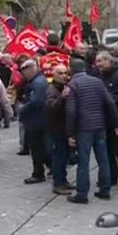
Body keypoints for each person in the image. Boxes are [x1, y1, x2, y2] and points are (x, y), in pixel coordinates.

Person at [66, 59, 118, 204]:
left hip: (83, 127)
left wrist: (70, 133)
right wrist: (117, 123)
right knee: (103, 158)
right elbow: (110, 103)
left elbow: (71, 110)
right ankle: (105, 190)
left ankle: (82, 193)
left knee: (84, 161)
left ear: (71, 70)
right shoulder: (97, 82)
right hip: (100, 125)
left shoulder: (73, 85)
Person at [96, 51, 118, 194]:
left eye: (100, 61)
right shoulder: (99, 76)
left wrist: (106, 99)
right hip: (105, 121)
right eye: (97, 62)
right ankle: (112, 177)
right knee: (108, 151)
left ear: (108, 61)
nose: (98, 64)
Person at [45, 64, 75, 195]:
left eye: (66, 73)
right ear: (54, 74)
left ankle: (63, 180)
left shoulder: (63, 86)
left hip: (64, 127)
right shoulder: (52, 89)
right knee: (59, 156)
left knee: (65, 155)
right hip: (57, 128)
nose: (64, 76)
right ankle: (58, 183)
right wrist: (62, 97)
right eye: (60, 73)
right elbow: (51, 108)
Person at [18, 59, 49, 184]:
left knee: (37, 148)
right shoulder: (37, 81)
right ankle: (46, 168)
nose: (23, 75)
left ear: (30, 69)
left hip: (36, 121)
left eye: (23, 71)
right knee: (39, 147)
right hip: (36, 120)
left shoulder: (38, 83)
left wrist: (22, 108)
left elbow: (36, 102)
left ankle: (38, 173)